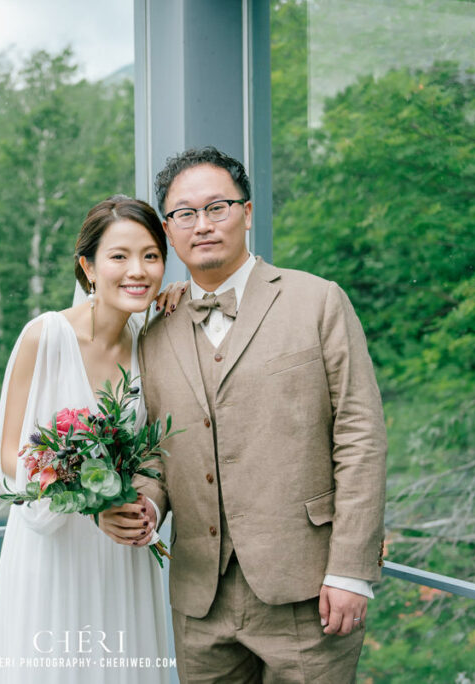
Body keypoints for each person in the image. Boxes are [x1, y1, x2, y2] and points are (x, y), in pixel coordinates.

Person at [99, 147, 387, 683]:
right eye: (184, 213)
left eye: (218, 207)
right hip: (199, 598)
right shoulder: (156, 328)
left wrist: (351, 569)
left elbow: (360, 436)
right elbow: (161, 451)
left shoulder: (318, 302)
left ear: (248, 213)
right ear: (168, 228)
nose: (202, 225)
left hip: (308, 591)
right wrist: (144, 504)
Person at [0, 196, 171, 684]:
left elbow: (154, 449)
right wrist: (90, 501)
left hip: (120, 557)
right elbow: (9, 453)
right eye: (119, 256)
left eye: (151, 256)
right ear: (88, 266)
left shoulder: (151, 340)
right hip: (55, 551)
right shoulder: (44, 336)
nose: (138, 270)